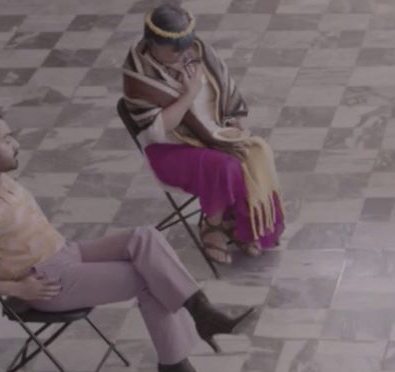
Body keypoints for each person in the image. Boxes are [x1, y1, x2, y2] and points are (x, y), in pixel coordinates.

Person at [0, 109, 253, 372]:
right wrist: (15, 288)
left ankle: (202, 313)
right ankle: (177, 360)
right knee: (147, 276)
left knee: (145, 237)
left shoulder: (0, 179)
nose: (16, 144)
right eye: (7, 139)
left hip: (66, 252)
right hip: (47, 282)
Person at [122, 3, 285, 263]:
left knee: (256, 152)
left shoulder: (197, 51)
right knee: (226, 166)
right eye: (172, 49)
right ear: (151, 41)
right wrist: (189, 95)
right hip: (170, 149)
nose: (181, 53)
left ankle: (243, 224)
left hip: (213, 134)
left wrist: (231, 125)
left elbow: (225, 91)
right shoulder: (138, 73)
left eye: (184, 46)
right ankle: (213, 226)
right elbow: (156, 132)